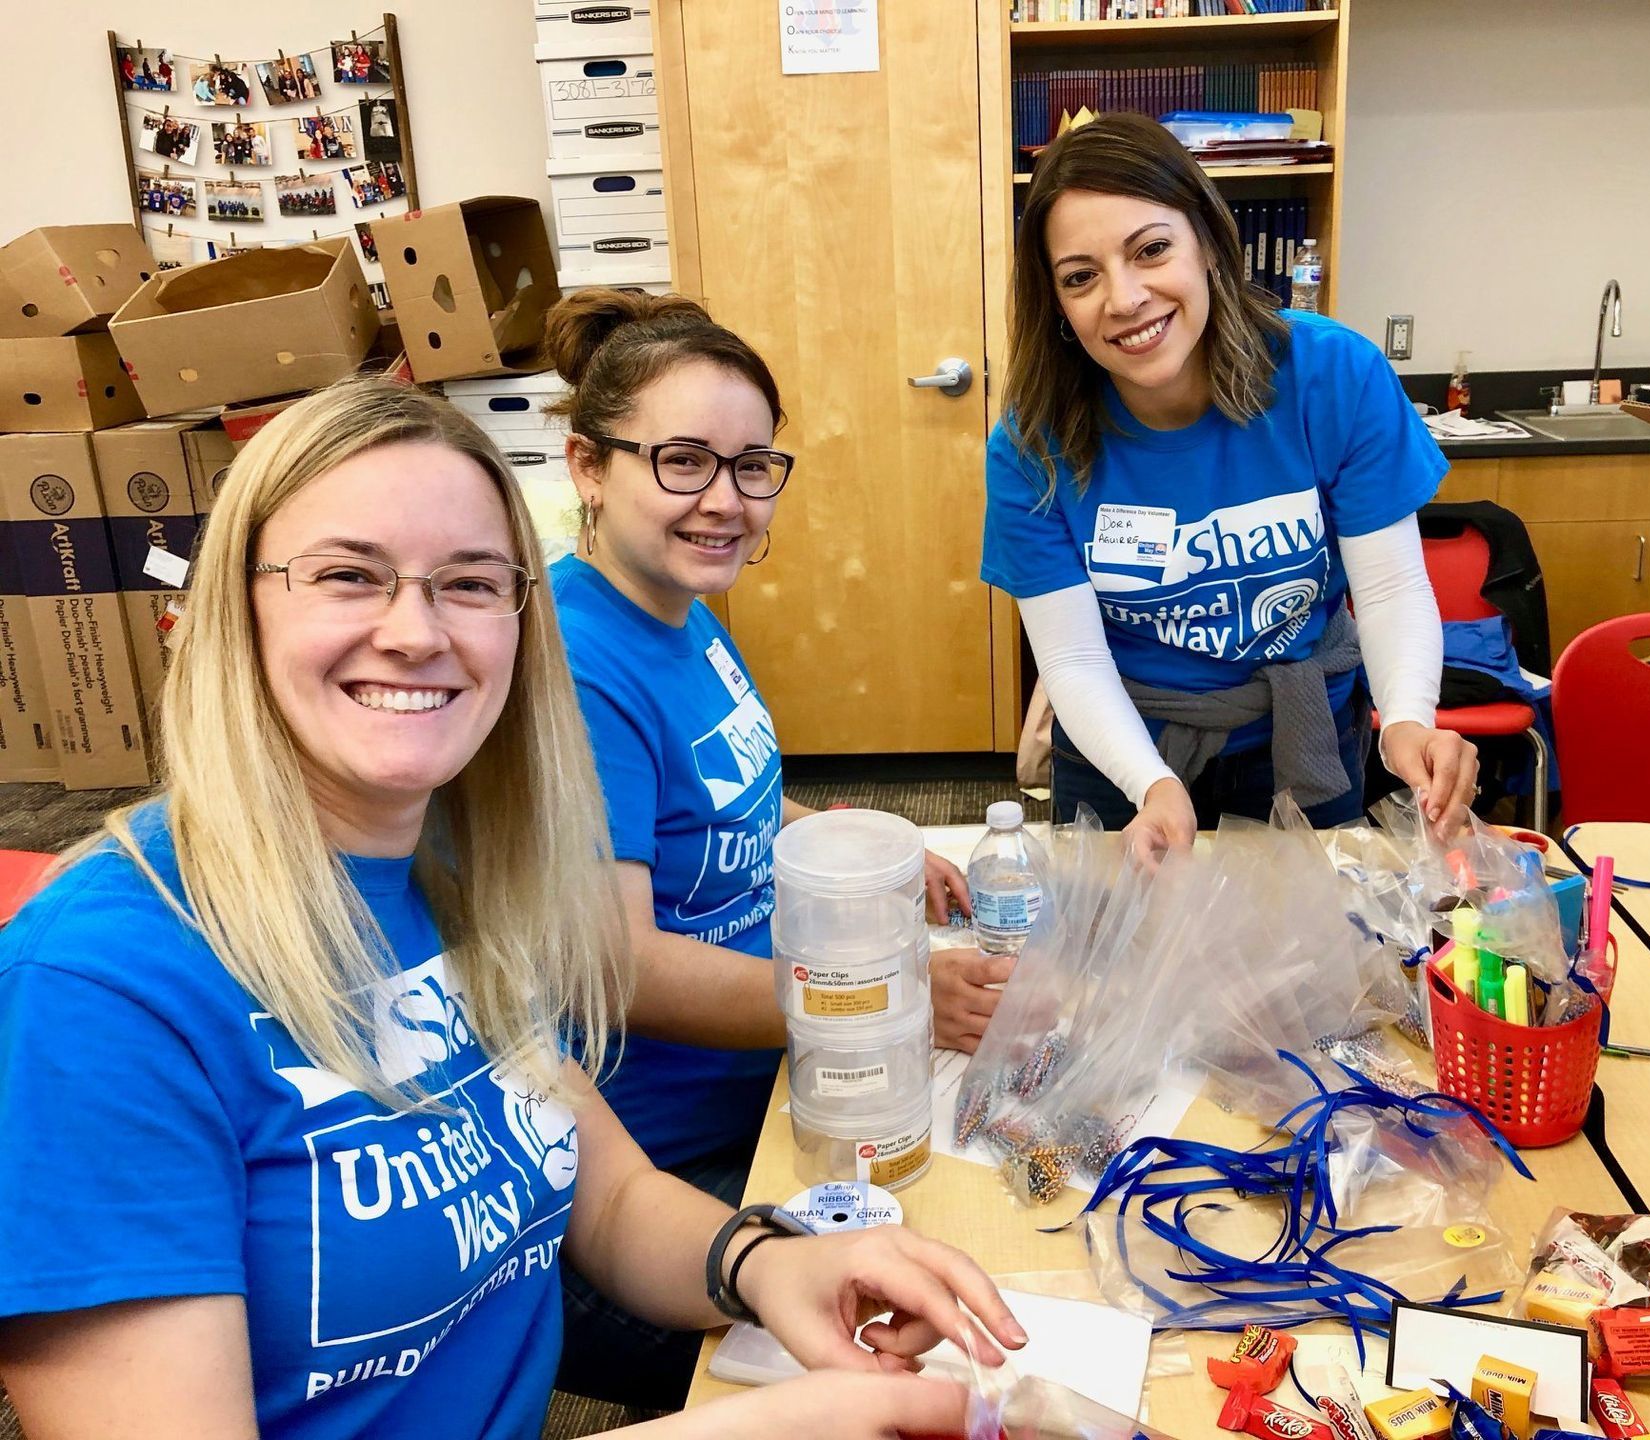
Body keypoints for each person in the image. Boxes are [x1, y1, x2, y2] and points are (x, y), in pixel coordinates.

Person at [0, 376, 1025, 1439]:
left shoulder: (464, 876)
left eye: (471, 583)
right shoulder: (102, 990)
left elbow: (612, 1200)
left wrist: (767, 1263)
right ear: (237, 607)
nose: (415, 632)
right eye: (349, 575)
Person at [542, 291, 1007, 1404]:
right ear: (588, 467)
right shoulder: (575, 662)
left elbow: (723, 806)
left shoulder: (673, 605)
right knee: (948, 1345)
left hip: (776, 1074)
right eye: (684, 461)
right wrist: (887, 992)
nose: (727, 502)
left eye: (753, 467)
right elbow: (619, 967)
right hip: (668, 1172)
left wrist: (849, 842)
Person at [983, 114, 1478, 861]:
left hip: (1300, 731)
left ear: (1210, 244)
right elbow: (1076, 663)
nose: (1123, 299)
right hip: (1123, 741)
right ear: (1055, 303)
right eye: (1080, 277)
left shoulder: (1332, 376)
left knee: (1309, 964)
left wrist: (1408, 718)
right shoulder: (1033, 443)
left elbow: (1389, 590)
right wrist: (1150, 784)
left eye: (1151, 250)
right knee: (1119, 966)